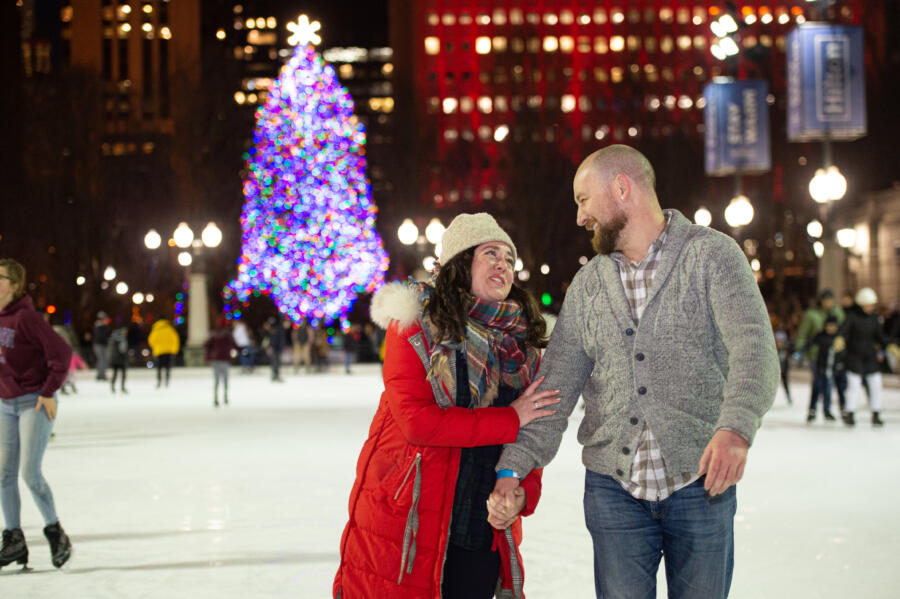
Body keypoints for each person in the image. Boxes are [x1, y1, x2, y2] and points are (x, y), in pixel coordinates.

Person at [490, 145, 779, 599]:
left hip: (700, 485)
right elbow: (554, 391)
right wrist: (513, 466)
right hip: (614, 493)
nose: (580, 217)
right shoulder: (588, 286)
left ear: (621, 188)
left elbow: (754, 349)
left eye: (584, 200)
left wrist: (736, 429)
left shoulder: (712, 256)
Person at [334, 213, 560, 599]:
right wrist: (509, 419)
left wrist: (522, 493)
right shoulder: (416, 324)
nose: (503, 265)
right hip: (411, 522)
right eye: (491, 254)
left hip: (480, 530)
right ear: (461, 261)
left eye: (509, 258)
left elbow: (533, 433)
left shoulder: (523, 342)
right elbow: (418, 422)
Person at [0, 258, 73, 569]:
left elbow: (62, 353)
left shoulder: (26, 318)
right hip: (5, 403)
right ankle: (14, 538)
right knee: (3, 474)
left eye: (0, 277)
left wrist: (47, 391)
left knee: (30, 473)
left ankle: (55, 532)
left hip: (34, 402)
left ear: (15, 285)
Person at [837, 288, 898, 427]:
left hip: (870, 357)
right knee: (854, 385)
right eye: (868, 305)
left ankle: (876, 413)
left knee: (876, 384)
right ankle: (850, 413)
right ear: (861, 304)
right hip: (854, 356)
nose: (870, 307)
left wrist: (890, 345)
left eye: (872, 305)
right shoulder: (852, 317)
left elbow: (880, 336)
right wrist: (839, 339)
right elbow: (843, 331)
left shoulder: (874, 319)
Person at [795, 289, 845, 416]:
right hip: (816, 355)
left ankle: (827, 409)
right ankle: (815, 409)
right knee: (819, 382)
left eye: (830, 300)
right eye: (826, 300)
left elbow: (844, 331)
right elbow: (803, 333)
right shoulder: (812, 315)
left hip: (832, 355)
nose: (828, 303)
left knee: (831, 383)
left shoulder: (838, 313)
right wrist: (800, 349)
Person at [801, 316, 844, 422]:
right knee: (816, 388)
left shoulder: (838, 338)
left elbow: (842, 352)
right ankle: (812, 410)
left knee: (828, 390)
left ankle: (827, 411)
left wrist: (840, 363)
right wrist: (802, 349)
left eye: (833, 326)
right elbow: (810, 343)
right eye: (829, 325)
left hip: (831, 369)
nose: (831, 328)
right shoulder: (821, 336)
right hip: (820, 367)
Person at [204, 319, 236, 408]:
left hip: (216, 359)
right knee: (225, 379)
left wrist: (209, 355)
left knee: (216, 379)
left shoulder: (214, 335)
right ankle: (225, 396)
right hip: (225, 359)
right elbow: (234, 345)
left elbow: (206, 345)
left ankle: (216, 397)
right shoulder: (228, 335)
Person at [148, 317, 180, 388]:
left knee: (159, 367)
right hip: (169, 351)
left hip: (159, 351)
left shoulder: (156, 330)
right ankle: (167, 381)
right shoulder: (170, 330)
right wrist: (175, 350)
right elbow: (175, 340)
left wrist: (155, 347)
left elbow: (151, 340)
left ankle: (159, 381)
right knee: (168, 367)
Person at [107, 323, 129, 394]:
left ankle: (113, 387)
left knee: (115, 374)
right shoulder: (122, 340)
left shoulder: (112, 339)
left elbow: (109, 350)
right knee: (123, 374)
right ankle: (122, 387)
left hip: (114, 360)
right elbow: (123, 350)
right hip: (120, 360)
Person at [92, 310, 110, 381]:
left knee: (104, 360)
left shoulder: (104, 326)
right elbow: (100, 337)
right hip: (99, 345)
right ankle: (100, 375)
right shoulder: (99, 326)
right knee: (101, 360)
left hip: (103, 345)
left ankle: (102, 374)